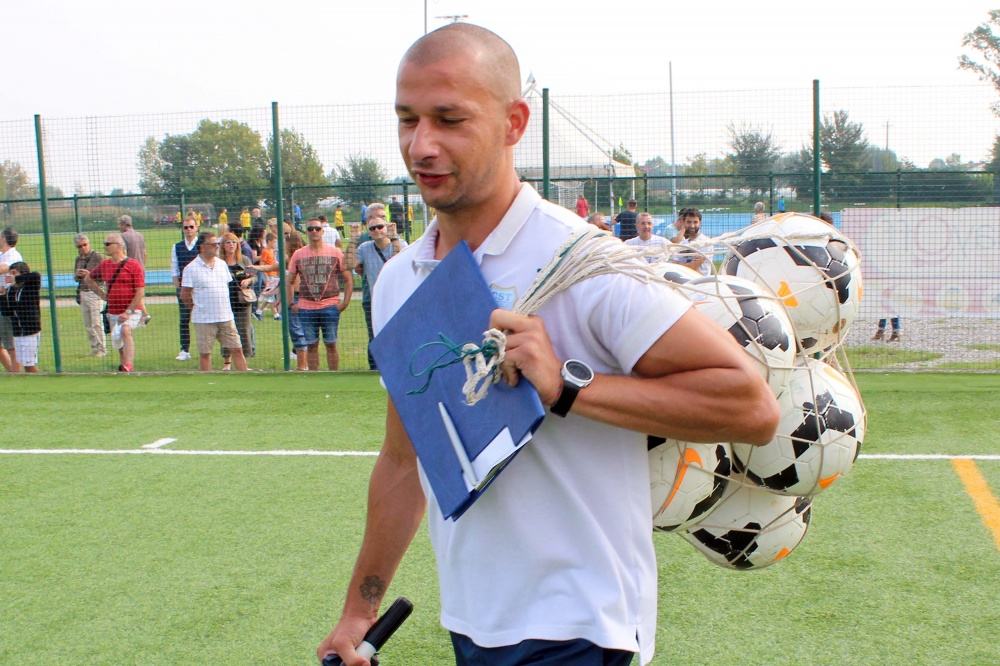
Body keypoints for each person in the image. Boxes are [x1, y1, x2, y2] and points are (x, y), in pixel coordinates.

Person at [317, 24, 779, 666]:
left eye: (449, 119)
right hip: (473, 618)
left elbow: (750, 406)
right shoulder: (400, 280)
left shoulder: (584, 262)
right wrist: (358, 611)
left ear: (513, 123)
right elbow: (402, 461)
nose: (421, 145)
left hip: (582, 622)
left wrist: (566, 385)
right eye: (407, 119)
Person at [287, 218, 352, 371]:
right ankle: (314, 376)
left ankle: (334, 376)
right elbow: (289, 281)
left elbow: (348, 279)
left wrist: (345, 303)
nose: (314, 232)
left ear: (322, 231)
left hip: (330, 306)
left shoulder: (335, 252)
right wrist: (291, 304)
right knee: (311, 345)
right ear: (306, 232)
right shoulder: (298, 254)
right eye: (310, 229)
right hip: (306, 307)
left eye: (317, 228)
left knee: (331, 343)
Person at [180, 232, 249, 372]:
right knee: (205, 353)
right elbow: (185, 294)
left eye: (217, 244)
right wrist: (198, 307)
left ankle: (245, 377)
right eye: (213, 244)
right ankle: (208, 381)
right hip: (204, 320)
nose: (217, 247)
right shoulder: (191, 268)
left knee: (237, 349)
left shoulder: (222, 264)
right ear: (202, 247)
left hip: (226, 318)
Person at [80, 232, 145, 373]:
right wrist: (103, 295)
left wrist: (128, 311)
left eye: (108, 244)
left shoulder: (133, 265)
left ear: (118, 246)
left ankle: (129, 365)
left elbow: (140, 291)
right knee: (118, 341)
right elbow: (89, 278)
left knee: (126, 330)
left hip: (131, 311)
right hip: (113, 310)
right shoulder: (105, 265)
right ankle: (125, 367)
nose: (105, 247)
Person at [351, 218, 407, 369]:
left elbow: (400, 261)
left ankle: (400, 367)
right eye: (372, 228)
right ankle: (375, 369)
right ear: (368, 232)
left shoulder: (400, 243)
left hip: (398, 299)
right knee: (375, 336)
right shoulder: (365, 248)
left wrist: (394, 238)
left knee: (399, 335)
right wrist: (353, 240)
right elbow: (349, 264)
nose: (377, 230)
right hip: (375, 301)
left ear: (386, 227)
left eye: (380, 226)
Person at [219, 232, 256, 369]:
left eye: (234, 242)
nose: (231, 245)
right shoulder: (220, 262)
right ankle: (227, 361)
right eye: (228, 242)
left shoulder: (244, 260)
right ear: (223, 245)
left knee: (244, 330)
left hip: (242, 300)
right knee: (226, 331)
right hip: (225, 300)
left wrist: (249, 281)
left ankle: (244, 361)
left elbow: (255, 277)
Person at [0, 261, 41, 372]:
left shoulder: (30, 287)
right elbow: (7, 312)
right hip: (17, 332)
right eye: (10, 273)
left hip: (30, 330)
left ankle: (40, 380)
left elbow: (36, 275)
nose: (10, 276)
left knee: (29, 365)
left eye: (14, 273)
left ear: (22, 274)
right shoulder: (11, 290)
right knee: (22, 362)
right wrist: (2, 297)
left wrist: (16, 279)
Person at [171, 215, 200, 361]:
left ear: (196, 228)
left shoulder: (202, 245)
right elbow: (175, 269)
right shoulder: (177, 247)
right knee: (184, 319)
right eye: (186, 227)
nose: (189, 230)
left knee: (203, 319)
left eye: (191, 227)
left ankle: (204, 348)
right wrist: (178, 288)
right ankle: (184, 349)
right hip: (184, 288)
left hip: (200, 288)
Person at [72, 233, 107, 357]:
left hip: (95, 291)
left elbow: (104, 274)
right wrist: (77, 275)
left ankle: (102, 348)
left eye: (84, 245)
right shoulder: (78, 259)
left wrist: (89, 273)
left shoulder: (97, 257)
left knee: (97, 322)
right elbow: (75, 277)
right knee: (88, 323)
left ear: (89, 244)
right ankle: (94, 347)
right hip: (83, 291)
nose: (83, 248)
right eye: (80, 246)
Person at [0, 227, 25, 372]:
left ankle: (16, 373)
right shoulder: (2, 255)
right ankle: (11, 372)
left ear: (4, 239)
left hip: (8, 303)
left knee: (11, 344)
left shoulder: (13, 256)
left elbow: (3, 269)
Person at [283, 230, 309, 370]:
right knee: (301, 330)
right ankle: (304, 364)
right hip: (301, 295)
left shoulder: (294, 258)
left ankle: (302, 365)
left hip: (296, 296)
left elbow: (292, 282)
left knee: (297, 330)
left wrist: (291, 301)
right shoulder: (303, 256)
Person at [118, 215, 150, 322]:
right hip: (140, 268)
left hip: (129, 269)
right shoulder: (140, 235)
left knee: (134, 293)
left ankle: (143, 314)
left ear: (123, 224)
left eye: (119, 224)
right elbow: (145, 253)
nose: (119, 227)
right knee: (138, 291)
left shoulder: (123, 237)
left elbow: (124, 253)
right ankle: (142, 314)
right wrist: (142, 266)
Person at [668, 207, 713, 276]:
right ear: (683, 222)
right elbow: (674, 265)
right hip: (683, 279)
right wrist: (686, 264)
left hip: (701, 280)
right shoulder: (683, 244)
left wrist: (679, 265)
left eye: (695, 222)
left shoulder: (705, 243)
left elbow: (693, 267)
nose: (692, 226)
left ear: (700, 223)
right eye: (689, 222)